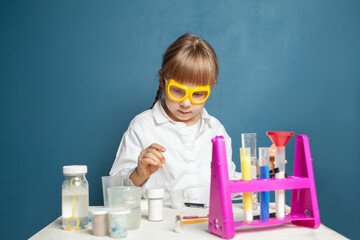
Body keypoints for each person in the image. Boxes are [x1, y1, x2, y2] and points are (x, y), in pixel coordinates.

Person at [110, 33, 241, 205]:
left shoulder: (216, 130)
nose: (186, 103)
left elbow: (229, 183)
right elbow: (115, 192)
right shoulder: (143, 126)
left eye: (198, 94)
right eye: (178, 91)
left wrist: (265, 171)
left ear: (211, 86)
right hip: (158, 227)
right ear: (163, 80)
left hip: (205, 227)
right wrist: (139, 173)